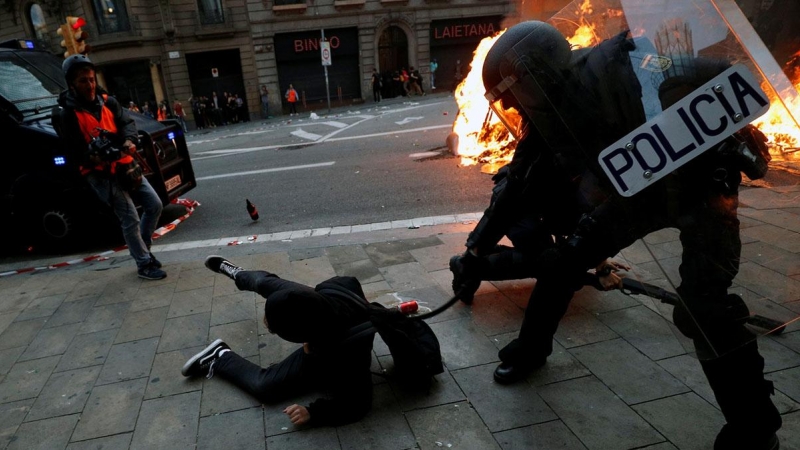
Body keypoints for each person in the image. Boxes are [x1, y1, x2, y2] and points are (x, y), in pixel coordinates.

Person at [451, 20, 781, 450]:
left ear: (536, 75)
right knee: (565, 263)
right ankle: (531, 350)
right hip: (638, 197)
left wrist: (722, 127)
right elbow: (516, 185)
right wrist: (476, 248)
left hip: (701, 191)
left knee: (704, 308)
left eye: (516, 99)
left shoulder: (629, 65)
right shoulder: (552, 115)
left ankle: (755, 428)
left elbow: (733, 77)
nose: (516, 112)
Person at [182, 256, 375, 427]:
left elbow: (359, 405)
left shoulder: (349, 355)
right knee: (263, 282)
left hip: (332, 345)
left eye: (272, 328)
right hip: (316, 307)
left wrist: (313, 413)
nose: (265, 323)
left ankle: (220, 356)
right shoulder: (304, 297)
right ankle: (238, 274)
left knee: (264, 387)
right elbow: (350, 282)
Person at [52, 54, 166, 280]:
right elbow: (73, 151)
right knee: (130, 218)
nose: (90, 85)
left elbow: (127, 124)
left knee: (154, 205)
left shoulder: (108, 102)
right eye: (84, 80)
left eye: (92, 79)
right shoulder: (67, 115)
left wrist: (129, 141)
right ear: (72, 84)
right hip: (100, 174)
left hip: (125, 164)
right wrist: (92, 158)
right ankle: (144, 264)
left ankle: (143, 247)